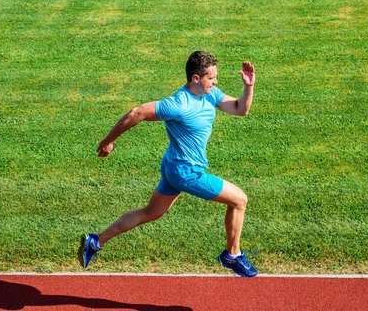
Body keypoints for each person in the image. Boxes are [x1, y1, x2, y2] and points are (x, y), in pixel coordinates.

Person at [78, 50, 257, 278]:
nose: (216, 81)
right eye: (211, 78)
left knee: (150, 212)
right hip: (185, 172)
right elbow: (137, 113)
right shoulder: (179, 104)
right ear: (196, 79)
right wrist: (108, 140)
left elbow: (241, 109)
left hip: (173, 166)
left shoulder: (209, 94)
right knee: (240, 200)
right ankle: (232, 255)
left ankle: (96, 241)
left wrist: (248, 86)